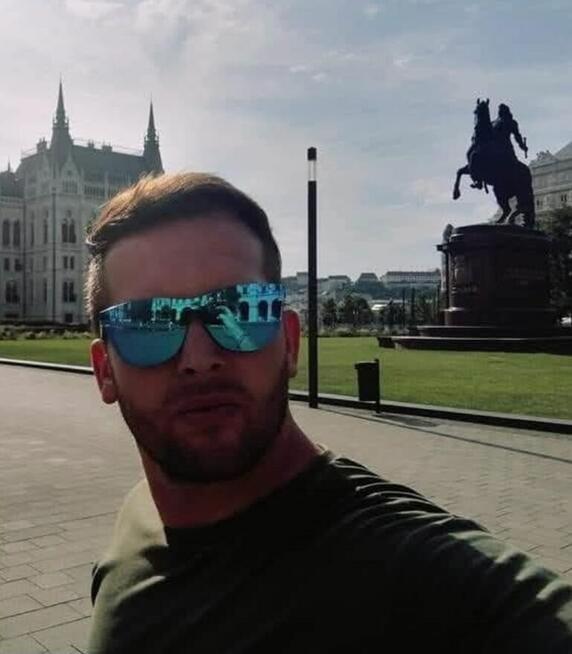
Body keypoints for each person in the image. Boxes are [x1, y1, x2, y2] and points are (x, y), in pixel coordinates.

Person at [87, 173, 572, 653]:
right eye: (147, 323)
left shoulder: (417, 570)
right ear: (105, 370)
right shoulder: (134, 528)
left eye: (239, 311)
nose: (198, 357)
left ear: (290, 343)